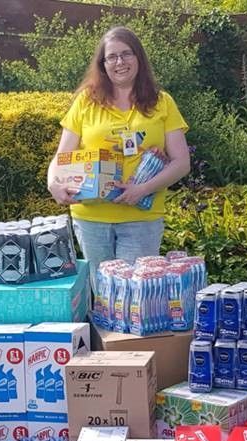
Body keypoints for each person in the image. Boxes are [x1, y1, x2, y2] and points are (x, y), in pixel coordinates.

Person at [47, 26, 191, 280]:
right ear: (102, 64)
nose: (120, 62)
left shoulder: (162, 102)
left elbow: (181, 163)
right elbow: (62, 157)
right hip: (91, 217)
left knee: (135, 296)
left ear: (139, 58)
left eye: (127, 54)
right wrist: (53, 184)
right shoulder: (85, 102)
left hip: (142, 217)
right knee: (103, 296)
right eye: (111, 57)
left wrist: (142, 190)